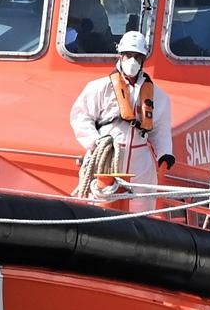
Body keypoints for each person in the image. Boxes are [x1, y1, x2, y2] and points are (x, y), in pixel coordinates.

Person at [68, 31, 174, 214]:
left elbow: (160, 128)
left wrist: (165, 153)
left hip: (141, 162)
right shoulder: (99, 88)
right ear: (121, 56)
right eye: (129, 56)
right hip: (107, 155)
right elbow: (80, 116)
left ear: (143, 60)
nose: (133, 61)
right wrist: (95, 141)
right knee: (99, 205)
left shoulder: (158, 96)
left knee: (142, 208)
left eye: (137, 57)